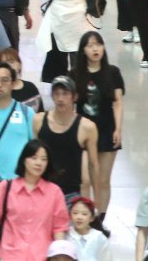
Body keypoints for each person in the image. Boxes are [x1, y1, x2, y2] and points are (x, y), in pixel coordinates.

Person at [0, 141, 70, 261]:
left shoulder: (55, 192)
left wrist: (59, 255)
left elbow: (59, 228)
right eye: (34, 158)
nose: (39, 163)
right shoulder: (5, 188)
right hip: (9, 255)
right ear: (24, 159)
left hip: (43, 256)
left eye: (44, 159)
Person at [71, 31, 123, 221]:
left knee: (102, 180)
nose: (95, 49)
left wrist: (118, 129)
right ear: (83, 50)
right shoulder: (75, 74)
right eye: (90, 45)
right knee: (85, 179)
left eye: (98, 44)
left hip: (107, 130)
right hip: (83, 133)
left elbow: (117, 102)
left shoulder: (113, 72)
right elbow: (71, 104)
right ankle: (84, 216)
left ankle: (99, 219)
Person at [33, 76, 101, 204]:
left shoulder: (87, 127)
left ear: (74, 97)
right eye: (57, 94)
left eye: (65, 94)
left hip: (71, 194)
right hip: (42, 190)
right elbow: (32, 155)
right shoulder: (39, 121)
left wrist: (96, 199)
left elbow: (93, 165)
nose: (60, 99)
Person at [67, 197, 112, 261]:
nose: (79, 217)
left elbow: (106, 258)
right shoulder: (66, 235)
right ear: (70, 215)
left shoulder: (99, 237)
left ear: (92, 218)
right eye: (75, 213)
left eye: (84, 214)